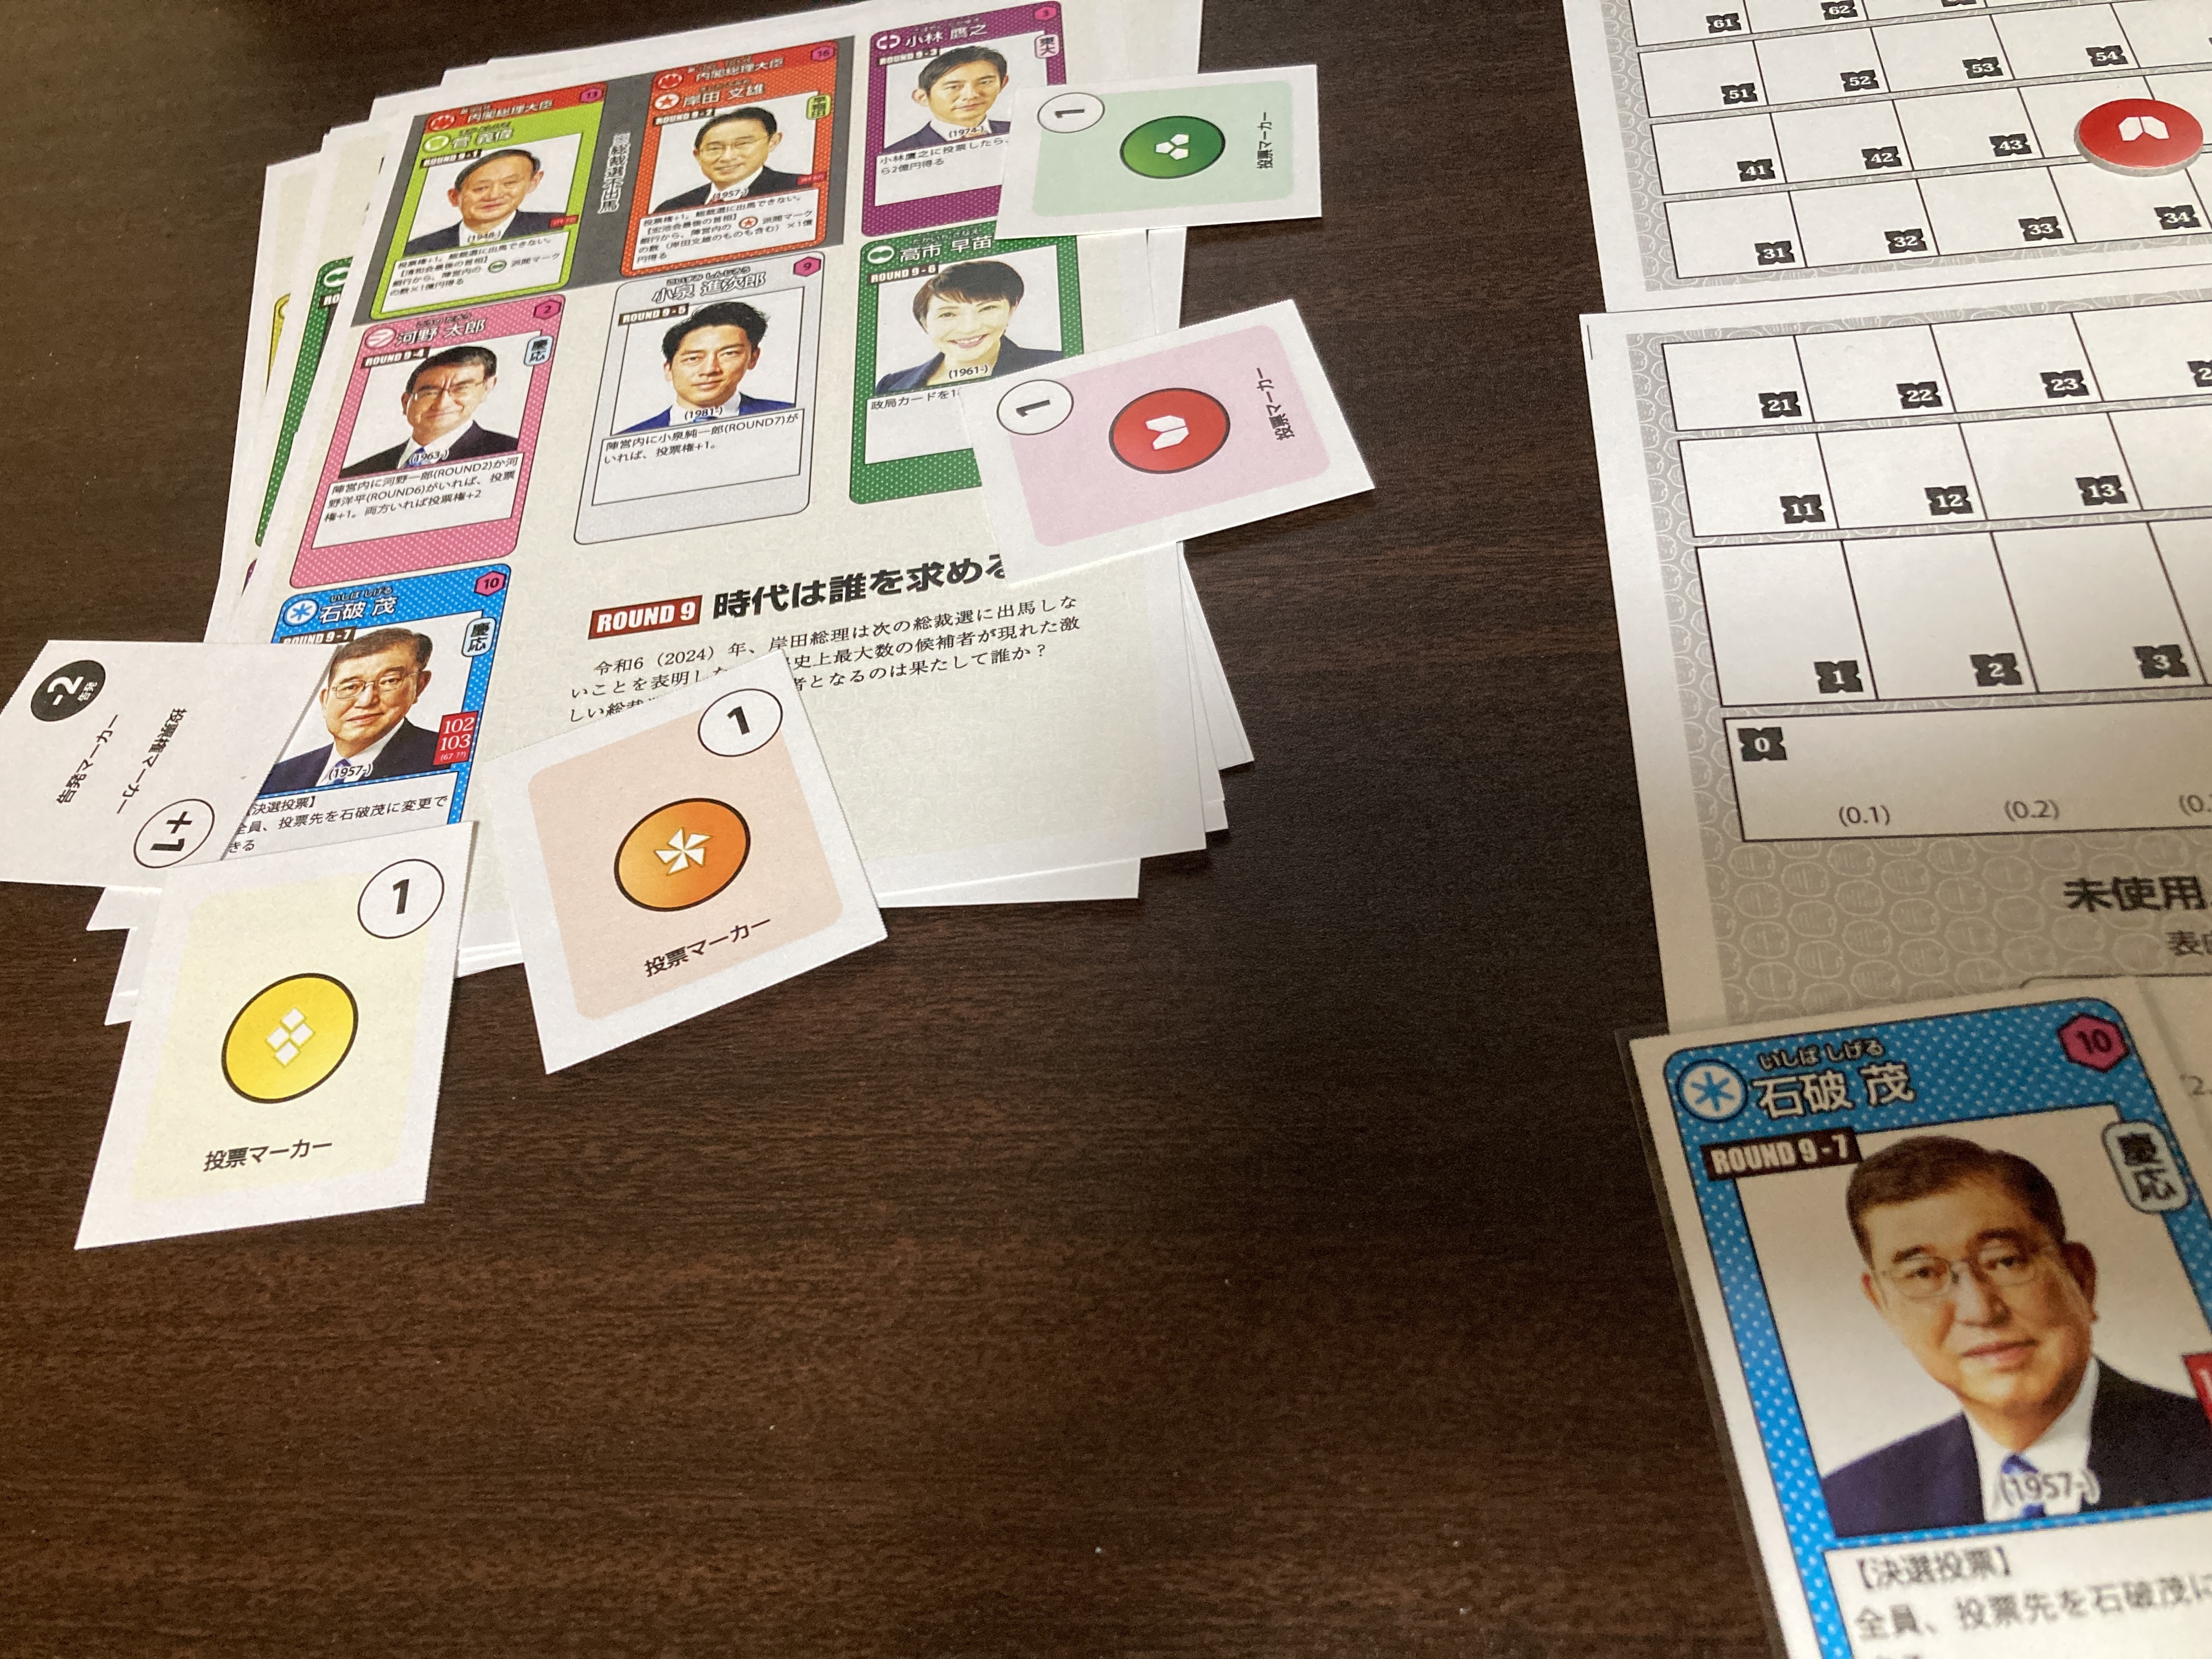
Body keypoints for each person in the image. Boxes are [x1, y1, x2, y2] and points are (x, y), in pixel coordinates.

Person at [1820, 1134, 2212, 1537]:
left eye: (2006, 1261)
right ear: (1883, 1304)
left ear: (2079, 1277)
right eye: (1923, 1273)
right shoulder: (1849, 1505)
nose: (1979, 1311)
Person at [261, 629, 443, 793]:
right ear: (325, 701)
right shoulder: (279, 777)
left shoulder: (442, 759)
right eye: (350, 687)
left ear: (419, 686)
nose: (366, 701)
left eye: (389, 681)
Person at [872, 260, 1062, 393]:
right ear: (925, 323)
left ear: (1011, 310)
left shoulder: (1057, 364)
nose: (969, 328)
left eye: (987, 309)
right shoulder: (891, 386)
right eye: (948, 314)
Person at [339, 346, 518, 476]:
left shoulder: (510, 452)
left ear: (487, 388)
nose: (442, 404)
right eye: (429, 393)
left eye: (461, 389)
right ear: (406, 403)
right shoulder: (357, 473)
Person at [620, 302, 793, 431]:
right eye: (693, 358)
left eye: (729, 354)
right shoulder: (632, 436)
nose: (710, 370)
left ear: (753, 358)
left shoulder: (789, 417)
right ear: (669, 369)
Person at [404, 149, 562, 253]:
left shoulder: (558, 226)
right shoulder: (417, 249)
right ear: (454, 197)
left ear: (533, 183)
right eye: (480, 188)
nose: (494, 195)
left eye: (510, 183)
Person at [652, 108, 803, 211]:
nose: (727, 158)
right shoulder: (672, 208)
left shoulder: (800, 188)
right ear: (697, 156)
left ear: (773, 142)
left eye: (743, 144)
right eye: (714, 148)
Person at [884, 47, 1011, 152]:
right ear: (923, 97)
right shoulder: (897, 152)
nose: (971, 95)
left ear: (1003, 84)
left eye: (985, 82)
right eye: (954, 87)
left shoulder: (1019, 132)